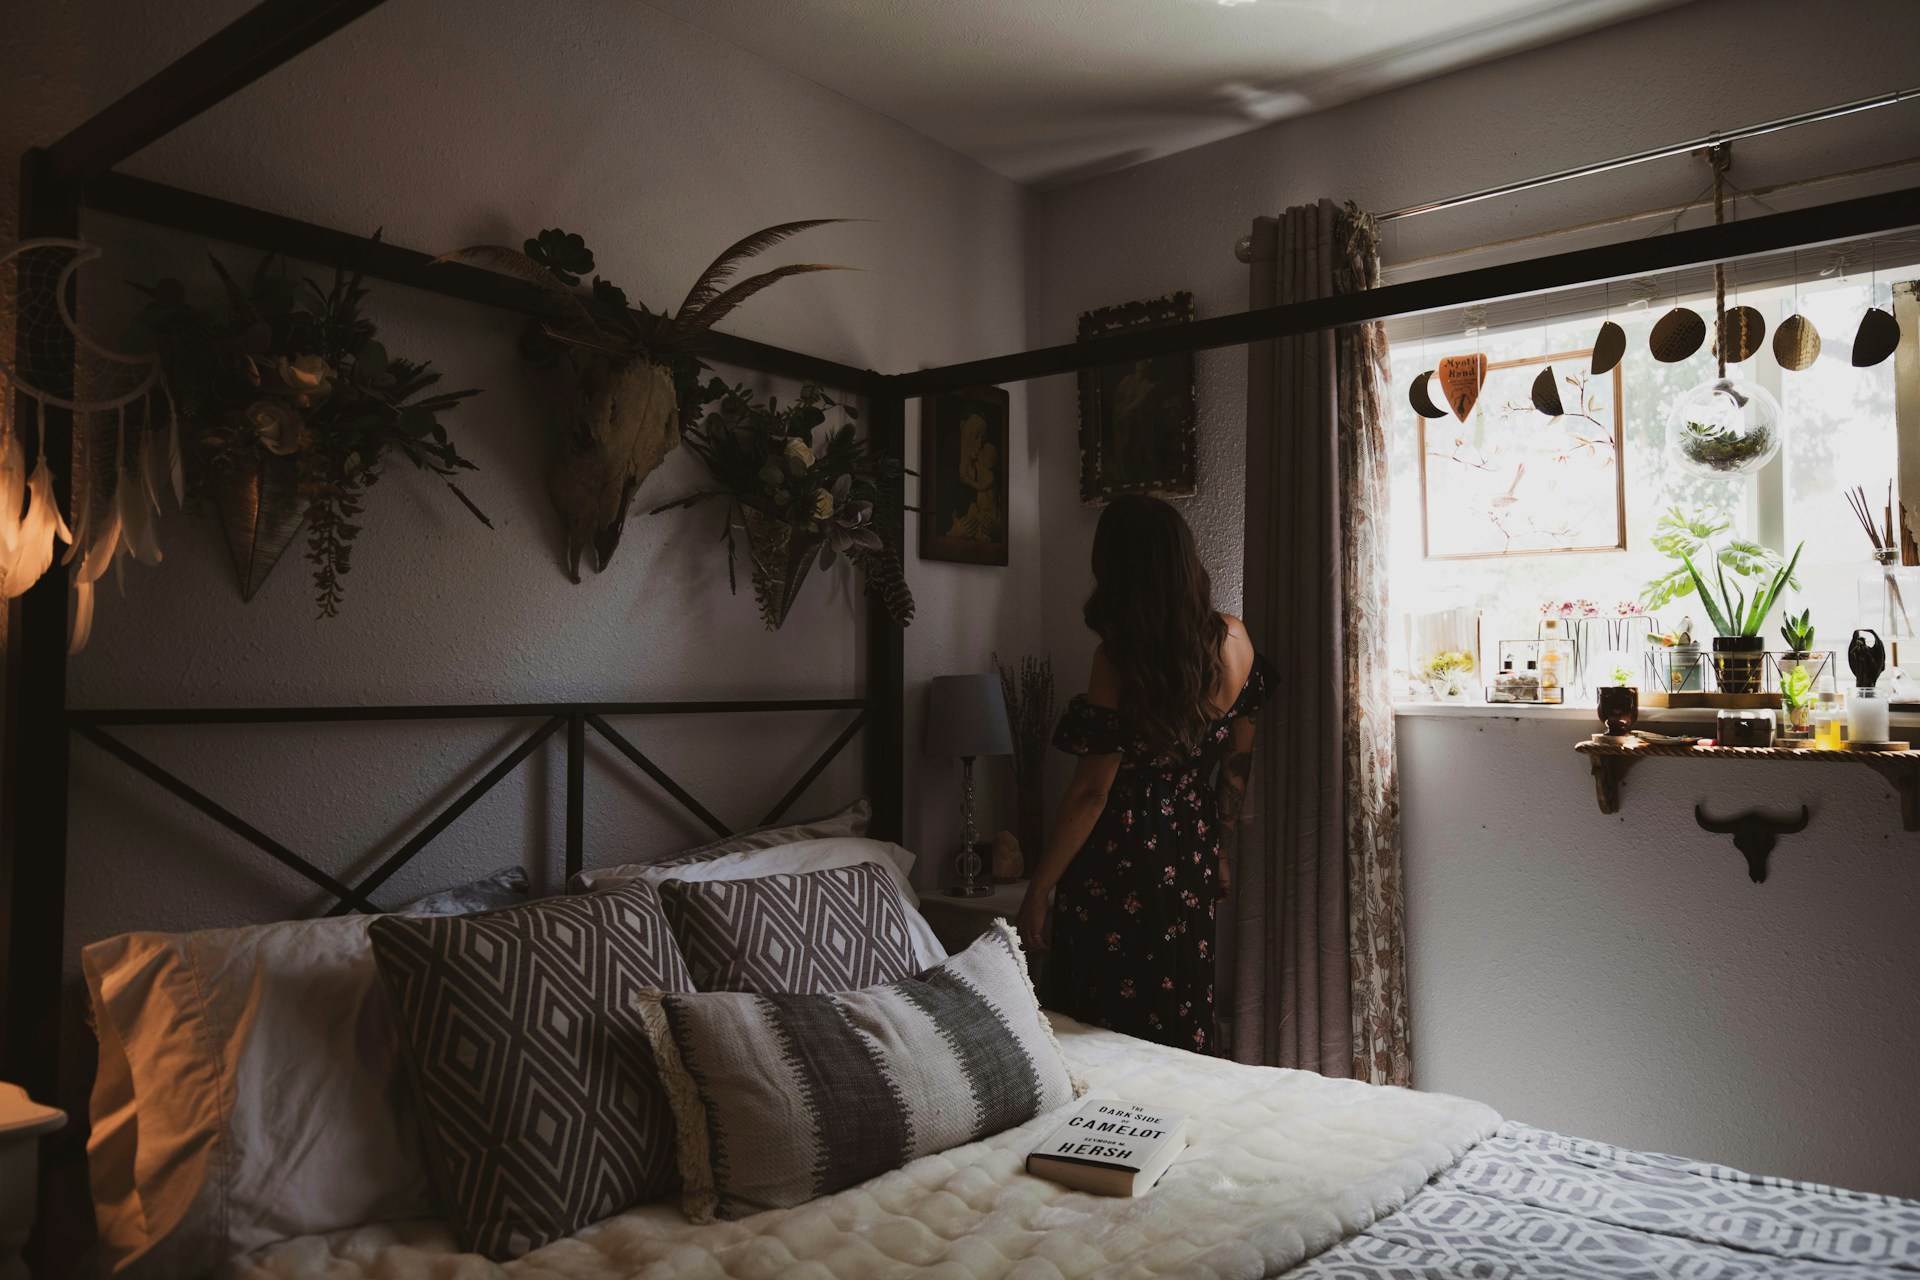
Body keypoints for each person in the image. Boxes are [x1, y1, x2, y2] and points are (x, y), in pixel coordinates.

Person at [1016, 494, 1271, 1055]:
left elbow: (1090, 792)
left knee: (1103, 1015)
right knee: (1179, 999)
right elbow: (1236, 764)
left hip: (1123, 847)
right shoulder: (1236, 639)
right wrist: (1222, 849)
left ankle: (1107, 1124)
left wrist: (1039, 888)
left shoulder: (1119, 657)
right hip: (1191, 837)